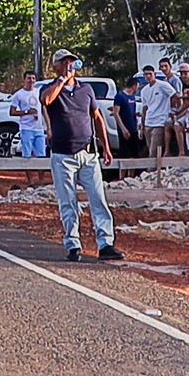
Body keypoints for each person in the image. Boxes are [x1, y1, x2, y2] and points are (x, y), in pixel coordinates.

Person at [40, 65, 119, 262]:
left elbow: (97, 117)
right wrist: (61, 80)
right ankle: (73, 244)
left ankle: (106, 244)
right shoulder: (50, 88)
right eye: (64, 63)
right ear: (57, 66)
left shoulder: (86, 90)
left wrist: (106, 147)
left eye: (71, 63)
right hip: (63, 155)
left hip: (88, 154)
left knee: (98, 198)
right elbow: (46, 100)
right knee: (68, 201)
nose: (69, 67)